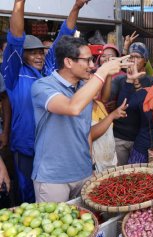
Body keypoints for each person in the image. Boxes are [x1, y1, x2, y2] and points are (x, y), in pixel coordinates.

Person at [1, 0, 89, 203]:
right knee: (29, 198)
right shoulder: (15, 74)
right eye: (32, 52)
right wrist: (18, 4)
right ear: (21, 56)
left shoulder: (50, 70)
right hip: (26, 147)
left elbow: (64, 35)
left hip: (53, 150)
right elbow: (15, 38)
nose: (38, 55)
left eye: (40, 51)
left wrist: (76, 8)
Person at [31, 35, 127, 202]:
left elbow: (85, 131)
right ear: (68, 62)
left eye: (93, 60)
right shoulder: (43, 86)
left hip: (83, 173)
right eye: (88, 60)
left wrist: (90, 167)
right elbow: (72, 107)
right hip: (53, 177)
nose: (92, 65)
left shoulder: (83, 87)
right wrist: (103, 71)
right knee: (57, 227)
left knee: (87, 224)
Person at [106, 42, 153, 165]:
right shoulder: (119, 79)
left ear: (145, 60)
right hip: (119, 137)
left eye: (137, 57)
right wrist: (129, 80)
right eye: (131, 57)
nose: (133, 60)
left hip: (140, 139)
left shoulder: (152, 82)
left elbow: (149, 109)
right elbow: (118, 105)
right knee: (119, 175)